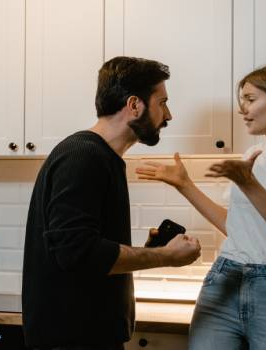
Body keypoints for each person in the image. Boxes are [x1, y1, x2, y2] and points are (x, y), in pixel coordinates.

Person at [136, 63, 266, 349]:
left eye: (250, 99)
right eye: (241, 101)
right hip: (225, 278)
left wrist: (249, 183)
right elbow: (235, 227)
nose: (242, 109)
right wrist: (184, 185)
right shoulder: (254, 154)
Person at [22, 56, 202, 350]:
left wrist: (148, 252)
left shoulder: (100, 157)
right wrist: (166, 257)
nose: (168, 115)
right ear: (134, 105)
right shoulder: (84, 157)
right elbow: (76, 252)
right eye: (162, 102)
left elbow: (86, 251)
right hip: (75, 341)